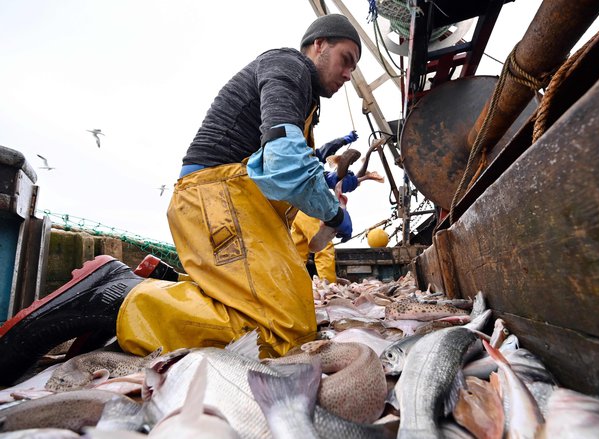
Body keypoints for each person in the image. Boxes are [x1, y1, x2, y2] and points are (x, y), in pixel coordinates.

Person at [0, 14, 361, 385]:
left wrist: (324, 174)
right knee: (283, 334)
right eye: (346, 59)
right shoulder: (289, 66)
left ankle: (166, 287)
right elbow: (283, 163)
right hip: (216, 197)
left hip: (232, 200)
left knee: (294, 325)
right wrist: (332, 213)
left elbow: (275, 168)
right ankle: (118, 295)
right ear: (319, 44)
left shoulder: (306, 100)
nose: (349, 74)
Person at [291, 131, 359, 283]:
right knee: (324, 245)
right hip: (308, 208)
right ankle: (329, 288)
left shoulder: (293, 161)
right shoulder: (305, 154)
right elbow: (326, 149)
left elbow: (317, 177)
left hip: (294, 212)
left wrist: (336, 179)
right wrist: (343, 139)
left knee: (296, 249)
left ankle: (293, 285)